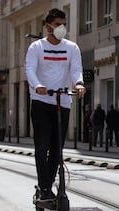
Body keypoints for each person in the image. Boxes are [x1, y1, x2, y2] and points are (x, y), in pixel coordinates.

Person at [25, 8, 85, 202]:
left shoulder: (72, 48)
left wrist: (79, 84)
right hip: (41, 102)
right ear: (48, 26)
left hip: (62, 102)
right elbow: (30, 69)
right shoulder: (36, 48)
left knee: (57, 150)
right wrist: (38, 85)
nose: (62, 28)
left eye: (64, 24)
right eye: (58, 24)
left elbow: (76, 70)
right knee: (42, 148)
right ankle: (44, 188)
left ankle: (48, 185)